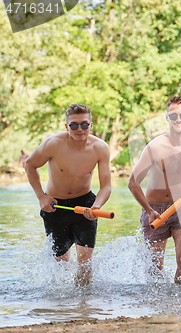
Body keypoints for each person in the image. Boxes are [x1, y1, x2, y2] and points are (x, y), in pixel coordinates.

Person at [128, 96, 181, 284]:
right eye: (174, 116)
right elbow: (133, 183)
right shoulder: (155, 146)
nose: (179, 119)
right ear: (167, 118)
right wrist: (149, 211)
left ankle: (179, 302)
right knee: (155, 266)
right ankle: (159, 306)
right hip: (154, 210)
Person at [25, 104, 112, 285]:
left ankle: (82, 308)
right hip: (55, 206)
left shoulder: (100, 148)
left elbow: (106, 186)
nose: (79, 129)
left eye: (84, 124)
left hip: (85, 205)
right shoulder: (53, 144)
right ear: (66, 126)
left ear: (91, 125)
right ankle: (67, 309)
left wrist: (96, 206)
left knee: (85, 262)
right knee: (62, 263)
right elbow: (29, 164)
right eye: (74, 125)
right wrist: (41, 196)